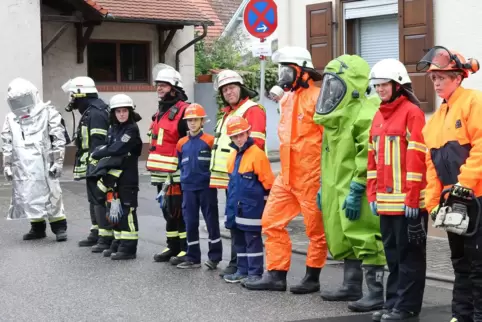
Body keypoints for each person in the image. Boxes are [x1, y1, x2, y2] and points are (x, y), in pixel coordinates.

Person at [244, 46, 328, 294]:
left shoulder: (319, 97)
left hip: (312, 176)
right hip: (287, 177)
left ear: (301, 70)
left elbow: (328, 142)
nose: (282, 76)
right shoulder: (288, 100)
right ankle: (276, 276)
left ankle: (312, 277)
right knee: (271, 222)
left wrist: (325, 178)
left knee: (316, 230)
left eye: (287, 70)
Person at [312, 54, 386, 312]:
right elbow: (329, 159)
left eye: (336, 85)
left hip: (358, 187)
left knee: (364, 233)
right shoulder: (336, 120)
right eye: (329, 84)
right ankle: (351, 285)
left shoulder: (365, 113)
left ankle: (376, 292)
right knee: (343, 233)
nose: (330, 91)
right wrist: (324, 186)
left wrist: (357, 187)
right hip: (337, 186)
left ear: (353, 86)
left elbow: (368, 154)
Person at [417, 46, 482, 322]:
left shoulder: (473, 102)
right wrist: (433, 204)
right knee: (461, 264)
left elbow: (480, 146)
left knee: (479, 265)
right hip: (453, 204)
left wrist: (464, 184)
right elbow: (431, 169)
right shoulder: (433, 124)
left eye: (442, 77)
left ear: (458, 76)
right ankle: (462, 315)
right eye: (434, 78)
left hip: (476, 200)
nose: (437, 82)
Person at [367, 59, 428, 321]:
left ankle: (407, 307)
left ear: (398, 85)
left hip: (408, 203)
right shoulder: (378, 115)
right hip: (385, 202)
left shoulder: (412, 112)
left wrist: (413, 198)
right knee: (392, 256)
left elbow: (417, 159)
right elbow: (372, 159)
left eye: (384, 85)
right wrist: (372, 194)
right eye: (377, 85)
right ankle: (392, 303)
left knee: (409, 257)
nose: (380, 89)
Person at [211, 69, 267, 277]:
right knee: (234, 222)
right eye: (225, 90)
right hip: (232, 178)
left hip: (245, 178)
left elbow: (257, 144)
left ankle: (243, 267)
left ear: (241, 87)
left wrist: (247, 175)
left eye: (232, 87)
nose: (228, 92)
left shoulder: (252, 109)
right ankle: (238, 265)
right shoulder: (229, 113)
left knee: (244, 225)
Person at [2, 78, 67, 241]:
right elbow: (7, 141)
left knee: (52, 194)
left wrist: (57, 162)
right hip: (22, 164)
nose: (21, 105)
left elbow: (58, 138)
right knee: (28, 195)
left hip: (45, 162)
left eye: (23, 99)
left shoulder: (48, 112)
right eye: (17, 101)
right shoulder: (11, 118)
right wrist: (7, 165)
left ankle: (59, 228)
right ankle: (37, 228)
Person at [87, 94, 142, 260]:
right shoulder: (113, 128)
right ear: (114, 113)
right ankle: (118, 243)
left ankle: (128, 248)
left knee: (127, 213)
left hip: (127, 179)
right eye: (118, 111)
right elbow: (110, 147)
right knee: (115, 211)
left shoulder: (131, 129)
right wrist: (104, 151)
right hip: (115, 179)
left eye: (125, 111)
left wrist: (97, 152)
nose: (122, 114)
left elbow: (117, 149)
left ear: (130, 112)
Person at [223, 116, 275, 284]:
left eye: (241, 135)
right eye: (235, 136)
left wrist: (266, 207)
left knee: (252, 241)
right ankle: (242, 270)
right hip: (236, 207)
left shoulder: (257, 155)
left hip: (252, 207)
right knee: (239, 241)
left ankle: (255, 273)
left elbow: (268, 183)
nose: (239, 139)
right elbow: (231, 184)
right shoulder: (232, 157)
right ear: (231, 138)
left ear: (248, 133)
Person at [148, 65, 190, 265]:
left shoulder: (183, 110)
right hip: (161, 173)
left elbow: (187, 143)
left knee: (179, 211)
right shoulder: (161, 111)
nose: (159, 88)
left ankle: (185, 248)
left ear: (174, 88)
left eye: (163, 85)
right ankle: (172, 245)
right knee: (167, 211)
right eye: (158, 85)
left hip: (177, 173)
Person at [61, 76, 110, 249]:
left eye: (73, 95)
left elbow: (99, 142)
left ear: (81, 94)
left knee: (99, 199)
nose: (72, 100)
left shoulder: (96, 113)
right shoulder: (91, 110)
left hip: (98, 165)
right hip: (92, 165)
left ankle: (105, 237)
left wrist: (97, 165)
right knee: (93, 199)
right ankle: (96, 232)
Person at [175, 103, 222, 269]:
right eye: (189, 120)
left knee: (211, 222)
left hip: (206, 188)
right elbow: (181, 164)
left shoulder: (210, 141)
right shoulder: (181, 143)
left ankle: (214, 257)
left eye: (195, 120)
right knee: (190, 222)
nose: (192, 123)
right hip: (188, 188)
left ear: (202, 121)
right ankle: (193, 257)